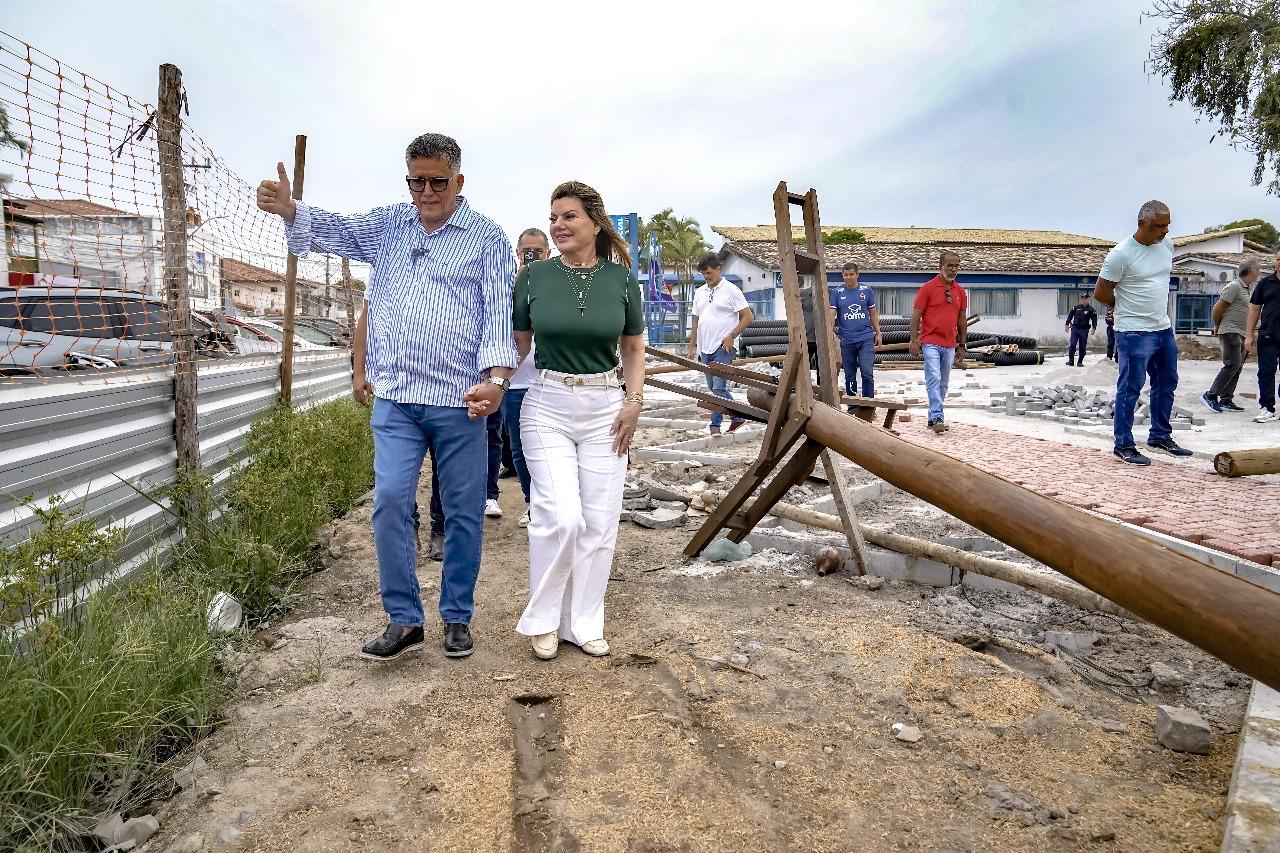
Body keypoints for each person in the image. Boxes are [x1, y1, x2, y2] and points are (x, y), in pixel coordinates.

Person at [257, 132, 516, 661]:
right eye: (416, 181)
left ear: (458, 181)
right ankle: (404, 619)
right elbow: (339, 230)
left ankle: (457, 616)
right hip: (397, 397)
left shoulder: (488, 238)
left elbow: (497, 314)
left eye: (437, 182)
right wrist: (291, 210)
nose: (426, 192)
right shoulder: (390, 225)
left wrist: (497, 379)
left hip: (459, 400)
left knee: (463, 511)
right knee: (392, 500)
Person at [513, 181, 645, 661]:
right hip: (546, 405)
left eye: (568, 216)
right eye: (553, 217)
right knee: (561, 517)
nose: (558, 225)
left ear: (594, 222)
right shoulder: (532, 278)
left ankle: (583, 623)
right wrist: (490, 382)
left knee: (599, 524)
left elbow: (633, 347)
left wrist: (634, 402)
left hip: (606, 408)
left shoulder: (622, 280)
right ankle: (544, 620)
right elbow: (516, 345)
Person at [1094, 199, 1192, 465]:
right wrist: (1121, 307)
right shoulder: (1121, 255)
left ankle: (1159, 436)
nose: (1165, 231)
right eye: (1160, 226)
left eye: (1168, 225)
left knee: (1166, 383)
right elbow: (1101, 292)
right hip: (1134, 332)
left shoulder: (1166, 245)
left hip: (1163, 328)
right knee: (1130, 388)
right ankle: (1123, 445)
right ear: (1142, 223)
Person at [502, 228, 552, 528]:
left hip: (551, 379)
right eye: (526, 251)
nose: (532, 256)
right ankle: (533, 503)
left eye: (538, 252)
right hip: (516, 381)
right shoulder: (507, 284)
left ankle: (552, 503)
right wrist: (518, 283)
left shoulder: (557, 283)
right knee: (520, 450)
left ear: (548, 254)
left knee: (551, 449)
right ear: (518, 253)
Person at [688, 255, 754, 434]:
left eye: (709, 273)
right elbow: (695, 320)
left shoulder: (731, 290)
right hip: (705, 347)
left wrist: (732, 336)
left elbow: (748, 316)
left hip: (724, 347)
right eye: (703, 274)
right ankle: (737, 418)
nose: (706, 277)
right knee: (714, 388)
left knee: (718, 387)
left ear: (718, 269)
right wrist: (692, 346)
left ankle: (715, 425)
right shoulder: (700, 292)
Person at [909, 251, 967, 433]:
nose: (953, 269)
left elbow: (962, 320)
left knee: (943, 383)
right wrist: (914, 340)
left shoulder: (960, 292)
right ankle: (937, 415)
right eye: (949, 266)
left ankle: (932, 416)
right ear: (940, 266)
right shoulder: (928, 288)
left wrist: (962, 345)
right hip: (930, 342)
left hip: (950, 344)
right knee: (933, 377)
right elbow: (915, 316)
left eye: (956, 266)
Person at [1202, 258, 1260, 413]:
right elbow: (1217, 308)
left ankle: (1226, 399)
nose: (1259, 273)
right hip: (1230, 331)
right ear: (1252, 271)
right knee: (1232, 363)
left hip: (1242, 333)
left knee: (1237, 366)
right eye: (1258, 270)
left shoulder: (1246, 288)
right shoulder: (1234, 286)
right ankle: (1210, 395)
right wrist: (1217, 325)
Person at [831, 261, 881, 405]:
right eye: (845, 275)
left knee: (867, 372)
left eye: (851, 274)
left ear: (857, 275)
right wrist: (829, 332)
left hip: (865, 338)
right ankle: (852, 405)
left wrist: (878, 333)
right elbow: (831, 313)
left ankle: (868, 404)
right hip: (846, 340)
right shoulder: (836, 293)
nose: (848, 277)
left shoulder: (867, 291)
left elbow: (873, 313)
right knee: (849, 375)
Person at [1246, 249, 1280, 422]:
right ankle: (1267, 408)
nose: (1279, 262)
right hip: (1268, 335)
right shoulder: (1265, 283)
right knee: (1266, 372)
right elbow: (1254, 309)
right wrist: (1249, 335)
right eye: (1278, 259)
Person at [1064, 293, 1098, 366]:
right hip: (1075, 329)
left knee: (1082, 346)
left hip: (1084, 330)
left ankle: (1080, 361)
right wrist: (1066, 324)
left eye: (1085, 299)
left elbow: (1094, 319)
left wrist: (1094, 327)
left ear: (1088, 299)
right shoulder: (1076, 307)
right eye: (1082, 298)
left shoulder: (1091, 309)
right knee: (1072, 344)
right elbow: (1070, 316)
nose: (1083, 300)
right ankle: (1071, 361)